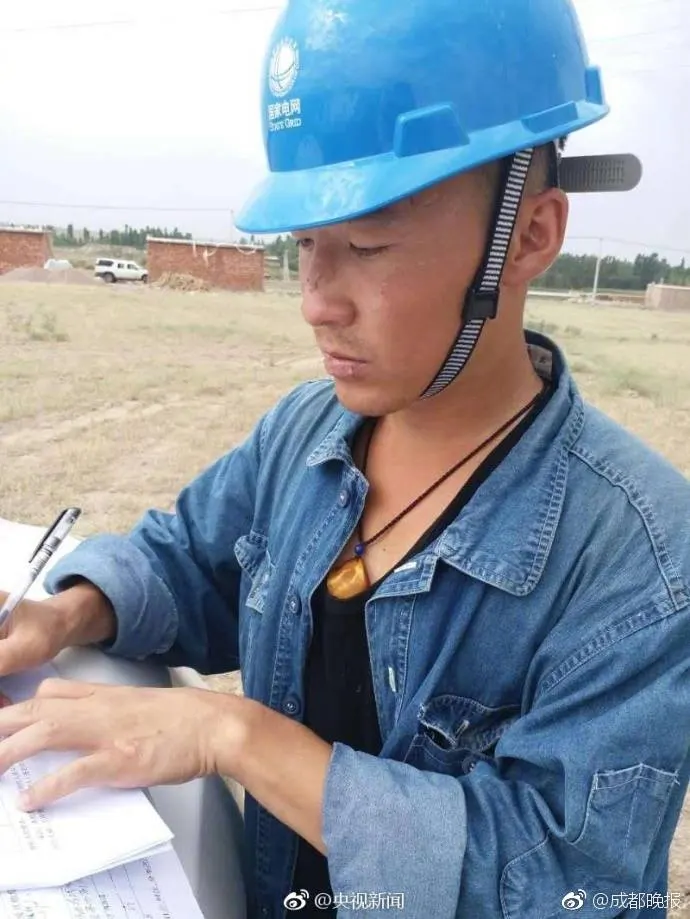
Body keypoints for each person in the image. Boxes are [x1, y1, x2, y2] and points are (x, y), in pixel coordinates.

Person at [0, 1, 688, 917]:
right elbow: (190, 561)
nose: (317, 301)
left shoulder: (641, 556)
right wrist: (64, 612)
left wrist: (237, 735)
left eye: (366, 245)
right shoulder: (304, 435)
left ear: (528, 236)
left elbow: (563, 879)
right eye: (305, 246)